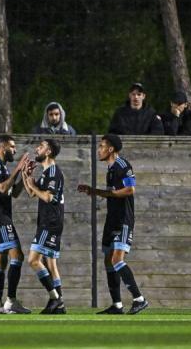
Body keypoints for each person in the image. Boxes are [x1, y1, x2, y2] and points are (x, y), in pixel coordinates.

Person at [78, 134, 148, 315]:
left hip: (123, 219)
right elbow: (111, 193)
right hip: (112, 219)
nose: (99, 150)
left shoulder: (122, 166)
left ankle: (139, 299)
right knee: (109, 260)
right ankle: (117, 305)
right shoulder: (110, 169)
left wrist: (108, 194)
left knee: (117, 259)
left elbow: (130, 189)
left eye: (101, 146)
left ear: (110, 149)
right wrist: (93, 191)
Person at [0, 135, 31, 314]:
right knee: (17, 256)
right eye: (12, 147)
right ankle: (11, 300)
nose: (15, 150)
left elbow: (13, 192)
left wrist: (24, 174)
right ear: (2, 148)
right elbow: (1, 188)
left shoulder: (2, 168)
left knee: (1, 261)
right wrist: (18, 168)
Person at [23, 139, 65, 314]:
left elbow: (47, 197)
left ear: (48, 152)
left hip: (50, 223)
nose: (37, 149)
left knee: (33, 260)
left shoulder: (54, 172)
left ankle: (55, 298)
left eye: (40, 146)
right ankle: (59, 306)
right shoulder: (46, 172)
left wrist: (33, 185)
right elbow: (32, 193)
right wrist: (26, 175)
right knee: (51, 264)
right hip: (48, 221)